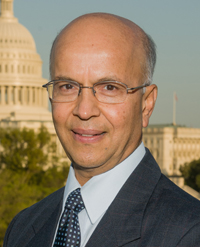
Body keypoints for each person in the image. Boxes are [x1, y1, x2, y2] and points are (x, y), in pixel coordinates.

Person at [3, 13, 200, 247]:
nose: (84, 110)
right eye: (67, 86)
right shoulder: (22, 228)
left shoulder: (189, 233)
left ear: (146, 104)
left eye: (109, 87)